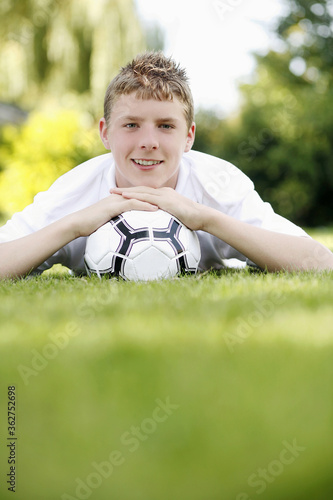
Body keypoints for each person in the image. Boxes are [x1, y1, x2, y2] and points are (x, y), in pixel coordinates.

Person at [0, 51, 332, 279]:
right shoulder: (75, 190)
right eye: (131, 125)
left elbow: (320, 263)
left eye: (165, 126)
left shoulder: (218, 183)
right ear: (105, 132)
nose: (149, 142)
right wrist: (73, 226)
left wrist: (206, 219)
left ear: (189, 137)